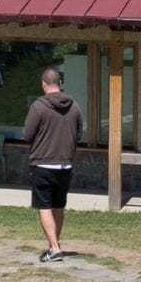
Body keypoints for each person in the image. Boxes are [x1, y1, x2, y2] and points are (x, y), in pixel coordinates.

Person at [22, 67, 82, 263]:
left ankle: (54, 248)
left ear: (43, 83)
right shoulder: (74, 107)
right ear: (60, 84)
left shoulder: (38, 107)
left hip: (43, 164)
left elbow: (28, 134)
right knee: (58, 206)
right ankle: (55, 243)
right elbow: (79, 133)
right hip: (65, 164)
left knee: (44, 207)